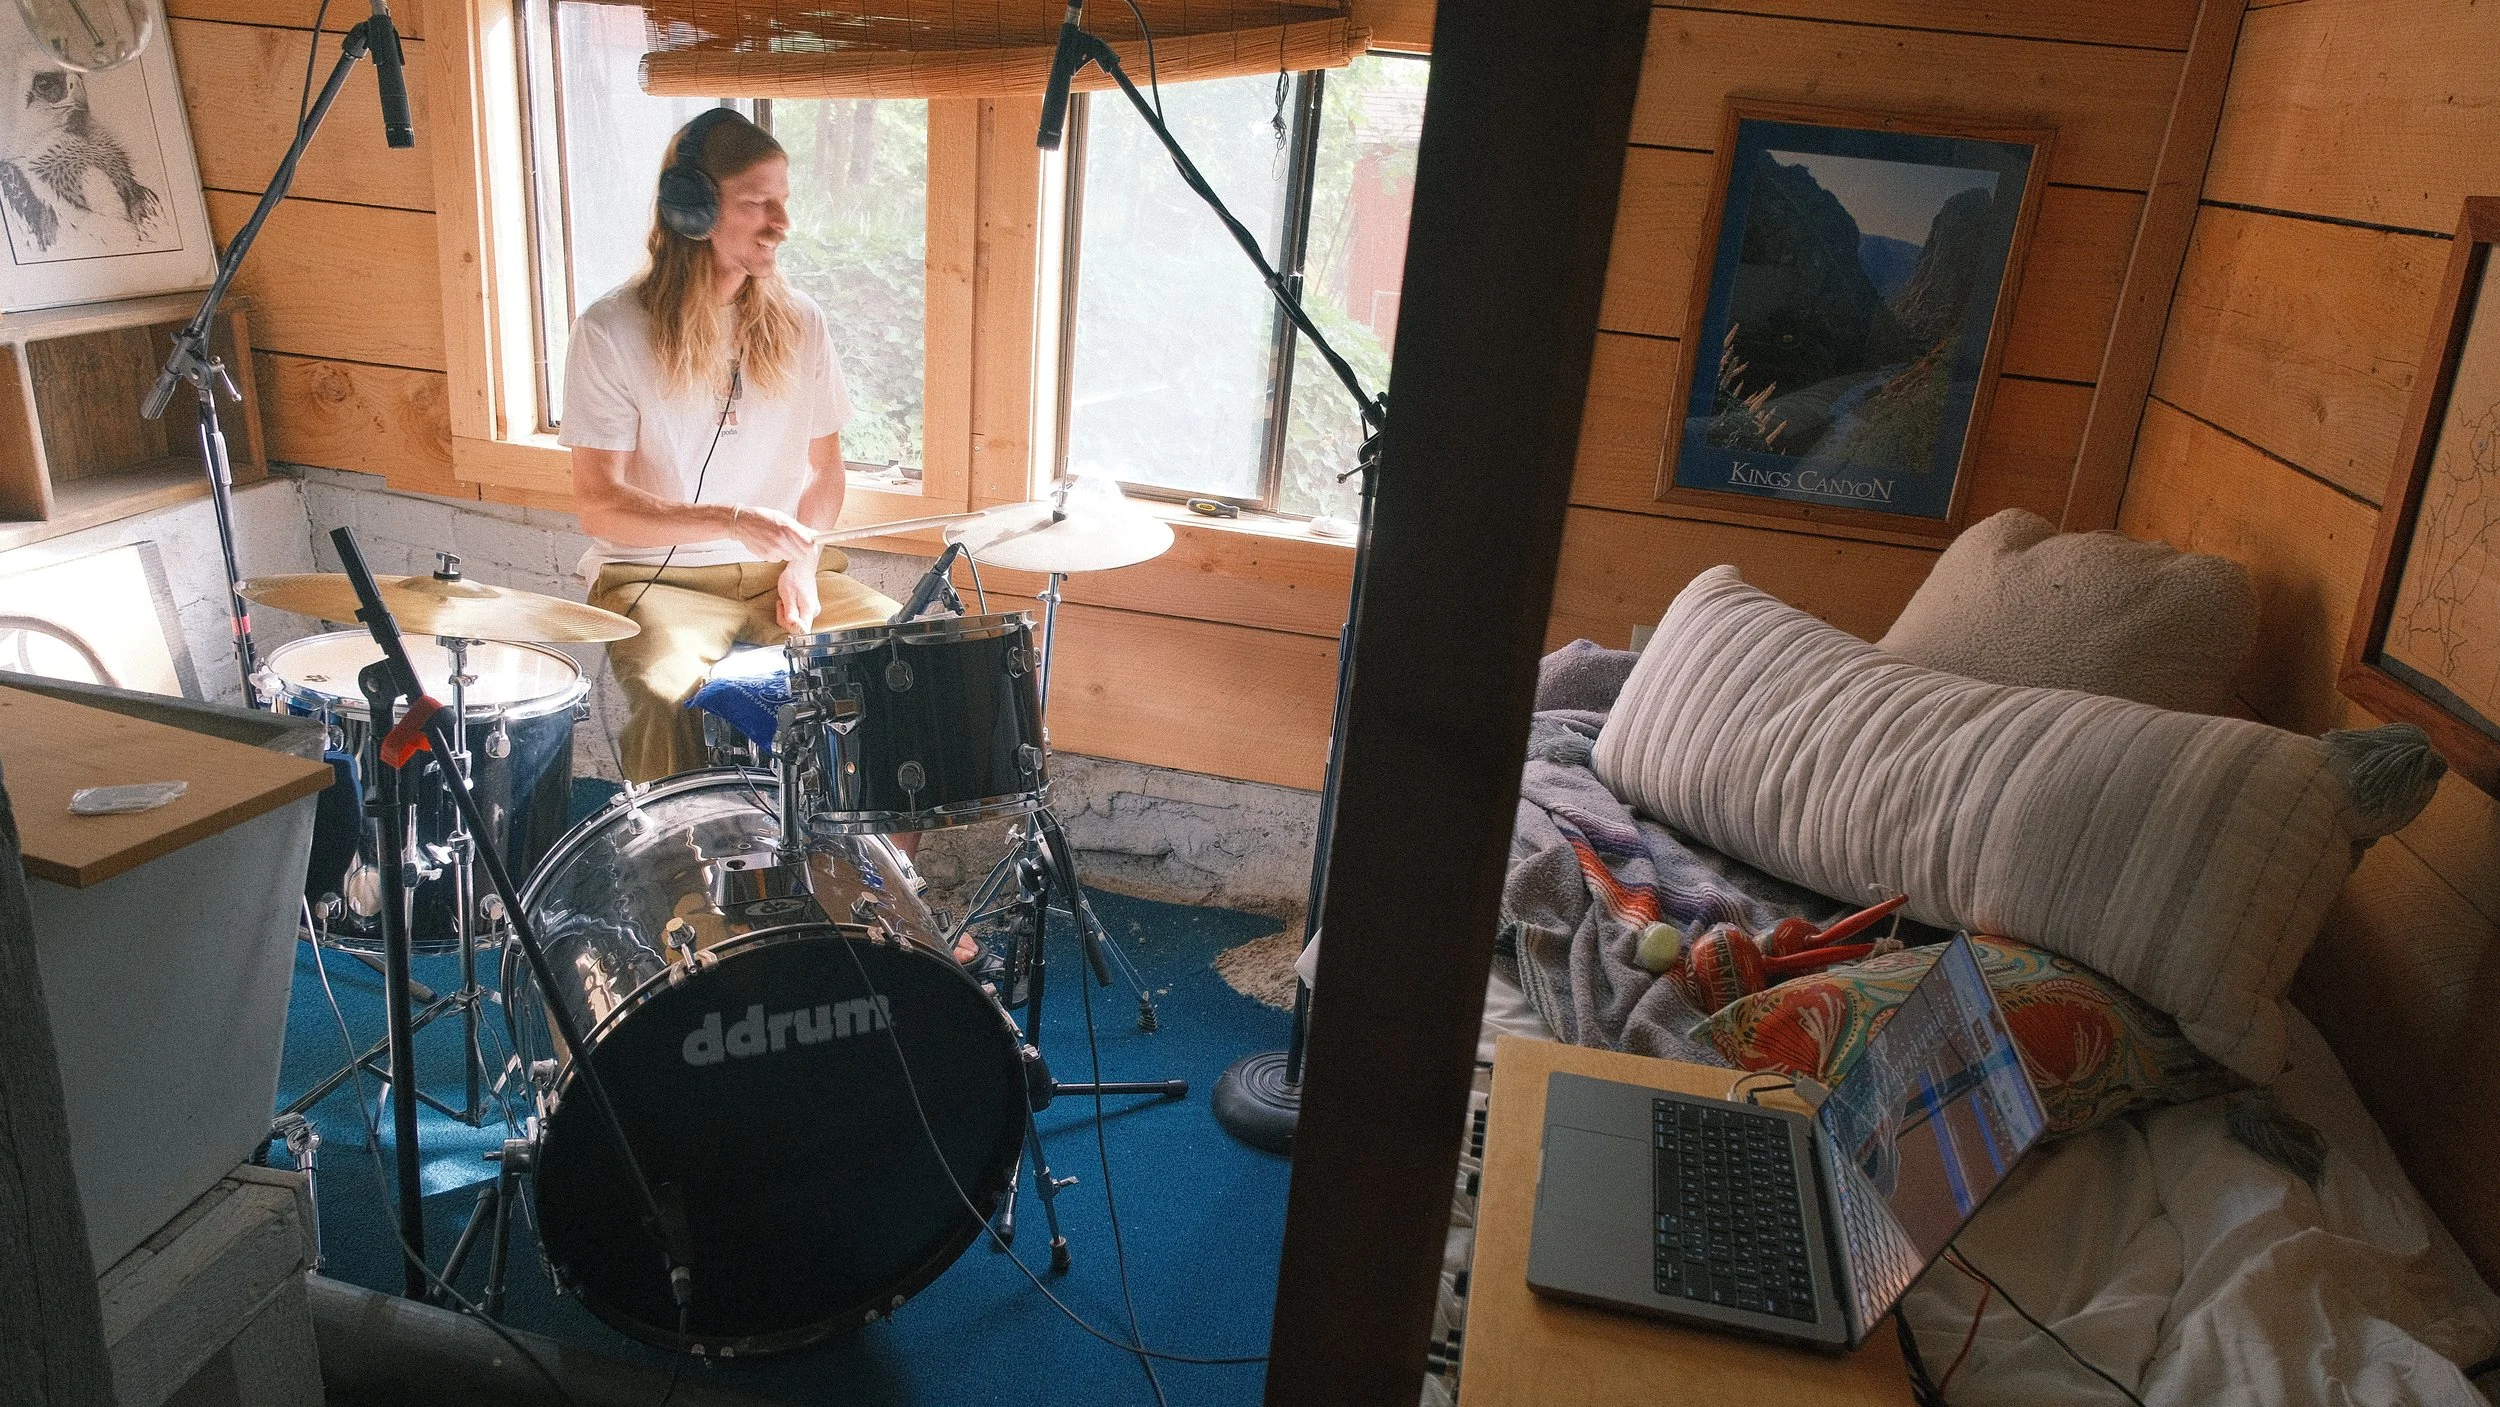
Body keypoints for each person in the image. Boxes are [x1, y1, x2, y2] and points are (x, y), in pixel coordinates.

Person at [560, 108, 900, 784]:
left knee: (901, 665)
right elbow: (599, 507)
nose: (783, 223)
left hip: (784, 579)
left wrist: (803, 560)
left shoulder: (804, 322)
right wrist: (731, 520)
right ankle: (683, 890)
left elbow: (826, 470)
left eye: (784, 201)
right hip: (658, 580)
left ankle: (882, 887)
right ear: (693, 209)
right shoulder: (609, 331)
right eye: (757, 203)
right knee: (667, 699)